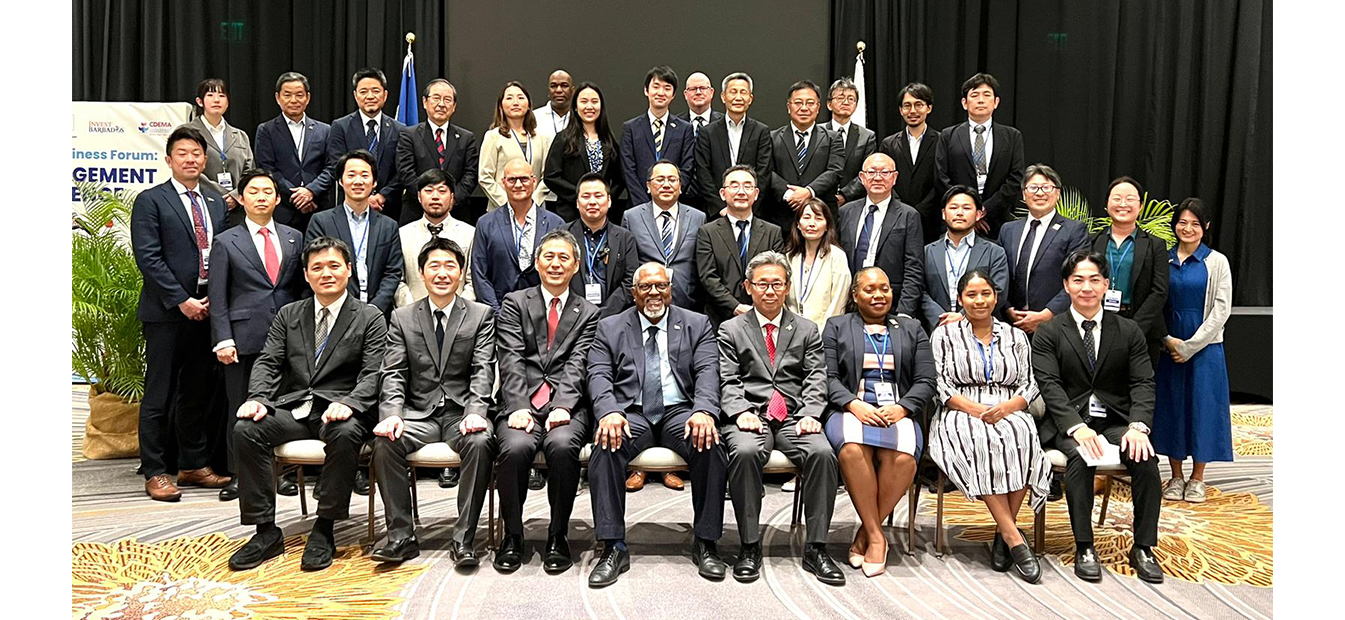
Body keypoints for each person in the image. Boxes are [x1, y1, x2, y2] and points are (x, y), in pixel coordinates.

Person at [227, 237, 387, 572]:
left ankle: (324, 528)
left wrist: (351, 402)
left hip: (341, 410)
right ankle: (265, 531)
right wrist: (258, 398)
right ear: (306, 274)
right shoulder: (290, 314)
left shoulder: (369, 316)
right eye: (317, 267)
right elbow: (269, 361)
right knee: (246, 428)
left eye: (334, 266)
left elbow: (374, 371)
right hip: (296, 408)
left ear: (349, 270)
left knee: (345, 432)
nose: (326, 273)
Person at [585, 262, 728, 587]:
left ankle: (706, 542)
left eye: (661, 286)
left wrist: (704, 411)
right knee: (605, 445)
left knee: (710, 443)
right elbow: (599, 374)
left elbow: (708, 371)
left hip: (681, 411)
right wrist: (608, 412)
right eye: (646, 287)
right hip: (631, 412)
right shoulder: (610, 327)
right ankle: (613, 546)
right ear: (633, 292)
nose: (654, 292)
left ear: (671, 290)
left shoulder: (696, 323)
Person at [1032, 250, 1164, 584]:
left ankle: (1143, 547)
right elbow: (1049, 386)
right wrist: (1075, 427)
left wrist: (1138, 426)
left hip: (1116, 420)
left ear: (1106, 284)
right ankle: (1085, 546)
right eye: (1078, 280)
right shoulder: (1049, 332)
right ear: (1066, 285)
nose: (1086, 287)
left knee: (1146, 459)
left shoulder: (1129, 330)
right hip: (1070, 421)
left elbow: (1142, 382)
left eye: (1094, 280)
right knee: (1081, 457)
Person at [369, 236, 496, 566]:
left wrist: (476, 411)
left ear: (461, 273)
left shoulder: (480, 315)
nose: (442, 273)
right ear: (422, 273)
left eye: (450, 266)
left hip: (461, 413)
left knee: (481, 441)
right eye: (434, 266)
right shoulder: (402, 317)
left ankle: (464, 539)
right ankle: (401, 536)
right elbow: (393, 372)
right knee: (385, 442)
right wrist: (392, 413)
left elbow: (483, 368)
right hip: (418, 414)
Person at [718, 251, 843, 585]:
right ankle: (749, 545)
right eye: (762, 284)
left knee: (822, 453)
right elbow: (727, 379)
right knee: (745, 452)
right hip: (749, 414)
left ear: (787, 287)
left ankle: (816, 547)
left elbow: (816, 377)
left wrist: (812, 413)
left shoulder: (806, 329)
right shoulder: (731, 329)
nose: (770, 291)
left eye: (777, 284)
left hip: (793, 415)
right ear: (748, 287)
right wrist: (740, 411)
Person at [927, 269, 1050, 583]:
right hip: (960, 408)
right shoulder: (944, 335)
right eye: (971, 294)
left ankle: (1002, 531)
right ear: (960, 299)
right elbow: (938, 384)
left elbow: (1029, 384)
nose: (979, 300)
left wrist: (1007, 407)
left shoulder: (1015, 336)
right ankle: (1013, 537)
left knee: (1022, 436)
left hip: (1008, 406)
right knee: (982, 439)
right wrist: (975, 409)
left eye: (985, 294)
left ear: (996, 298)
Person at [130, 126, 231, 502]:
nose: (190, 159)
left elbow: (221, 254)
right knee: (159, 393)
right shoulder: (151, 200)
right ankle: (156, 470)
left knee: (196, 392)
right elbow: (149, 258)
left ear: (205, 160)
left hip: (206, 311)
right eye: (183, 153)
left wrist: (213, 300)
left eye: (196, 154)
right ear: (169, 159)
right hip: (167, 313)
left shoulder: (215, 202)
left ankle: (192, 463)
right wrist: (181, 300)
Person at [493, 230, 601, 574]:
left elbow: (579, 363)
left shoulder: (589, 312)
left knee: (563, 445)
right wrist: (518, 406)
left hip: (567, 405)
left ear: (576, 265)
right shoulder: (514, 302)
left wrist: (563, 405)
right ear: (537, 263)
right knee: (515, 448)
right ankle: (513, 535)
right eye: (549, 257)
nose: (556, 264)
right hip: (520, 402)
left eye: (563, 258)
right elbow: (510, 358)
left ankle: (558, 534)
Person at [820, 267, 935, 577]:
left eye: (884, 288)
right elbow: (827, 377)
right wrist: (853, 403)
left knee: (903, 459)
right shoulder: (837, 326)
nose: (878, 295)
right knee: (852, 450)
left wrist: (904, 407)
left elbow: (926, 380)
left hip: (897, 409)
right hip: (850, 407)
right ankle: (876, 537)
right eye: (869, 289)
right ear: (855, 295)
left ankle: (867, 533)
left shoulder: (911, 328)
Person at [207, 169, 306, 502]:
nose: (261, 197)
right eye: (253, 191)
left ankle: (282, 472)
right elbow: (218, 295)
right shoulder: (226, 241)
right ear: (241, 198)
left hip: (289, 338)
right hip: (243, 338)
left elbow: (300, 289)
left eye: (267, 191)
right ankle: (239, 475)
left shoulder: (294, 237)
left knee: (283, 407)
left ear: (278, 199)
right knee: (240, 407)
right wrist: (223, 339)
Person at [1153, 199, 1233, 504]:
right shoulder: (1163, 258)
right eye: (1182, 222)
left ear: (1206, 227)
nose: (1188, 228)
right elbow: (1156, 302)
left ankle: (1198, 478)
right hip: (1169, 347)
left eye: (1195, 224)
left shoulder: (1217, 262)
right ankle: (1175, 475)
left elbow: (1221, 309)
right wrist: (1168, 340)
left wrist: (1191, 346)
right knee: (1172, 408)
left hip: (1205, 349)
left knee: (1203, 409)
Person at [306, 150, 402, 317]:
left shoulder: (389, 226)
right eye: (351, 175)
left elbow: (392, 272)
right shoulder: (321, 221)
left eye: (364, 175)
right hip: (335, 312)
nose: (358, 181)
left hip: (377, 314)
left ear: (374, 182)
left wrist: (374, 310)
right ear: (341, 181)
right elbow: (315, 266)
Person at [999, 163, 1090, 335]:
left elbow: (1077, 278)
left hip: (1056, 326)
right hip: (1011, 326)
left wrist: (1047, 314)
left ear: (1058, 194)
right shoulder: (1008, 230)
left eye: (1046, 187)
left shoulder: (1074, 230)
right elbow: (999, 275)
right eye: (1033, 187)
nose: (1039, 193)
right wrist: (1008, 308)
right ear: (1024, 194)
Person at [1089, 176, 1169, 365]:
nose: (1123, 204)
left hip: (1142, 328)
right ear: (1107, 204)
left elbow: (1159, 291)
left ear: (1140, 206)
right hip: (1098, 323)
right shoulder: (1092, 241)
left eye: (1130, 199)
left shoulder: (1155, 245)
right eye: (1117, 198)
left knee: (1139, 381)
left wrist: (1135, 328)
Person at [934, 73, 1025, 238]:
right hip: (957, 218)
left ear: (996, 102)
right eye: (974, 95)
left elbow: (1015, 177)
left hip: (997, 220)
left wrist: (984, 210)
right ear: (964, 103)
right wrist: (968, 209)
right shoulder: (948, 135)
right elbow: (941, 177)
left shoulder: (1012, 136)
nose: (981, 100)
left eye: (986, 95)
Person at [471, 158, 565, 311]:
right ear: (503, 182)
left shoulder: (555, 223)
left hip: (544, 312)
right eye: (512, 180)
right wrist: (497, 313)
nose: (519, 184)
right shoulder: (486, 224)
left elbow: (563, 271)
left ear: (534, 181)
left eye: (524, 179)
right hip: (500, 310)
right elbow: (479, 273)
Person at [837, 152, 924, 317]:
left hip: (891, 304)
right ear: (862, 177)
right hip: (849, 304)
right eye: (871, 172)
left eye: (885, 172)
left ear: (895, 177)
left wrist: (905, 311)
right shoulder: (846, 212)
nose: (877, 178)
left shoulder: (908, 215)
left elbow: (914, 268)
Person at [695, 165, 784, 325]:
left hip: (763, 315)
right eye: (734, 186)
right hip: (719, 317)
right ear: (723, 194)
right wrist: (735, 306)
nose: (741, 192)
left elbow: (778, 273)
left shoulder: (773, 232)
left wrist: (758, 305)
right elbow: (708, 277)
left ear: (756, 194)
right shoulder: (708, 232)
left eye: (747, 186)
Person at [920, 186, 1009, 332]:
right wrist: (940, 318)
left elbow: (998, 291)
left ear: (978, 214)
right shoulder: (927, 252)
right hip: (936, 328)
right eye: (953, 208)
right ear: (943, 214)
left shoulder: (995, 252)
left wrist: (963, 316)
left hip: (980, 330)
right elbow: (920, 290)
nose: (959, 213)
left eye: (966, 208)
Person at [254, 72, 333, 230]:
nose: (294, 100)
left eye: (299, 95)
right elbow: (267, 169)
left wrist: (311, 191)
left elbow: (332, 167)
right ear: (278, 98)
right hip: (283, 209)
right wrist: (296, 197)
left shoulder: (324, 130)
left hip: (318, 208)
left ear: (307, 98)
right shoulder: (266, 130)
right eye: (287, 95)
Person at [327, 68, 407, 222]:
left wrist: (382, 196)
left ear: (385, 95)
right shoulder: (340, 127)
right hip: (351, 206)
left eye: (375, 91)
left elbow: (401, 170)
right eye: (363, 92)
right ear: (355, 96)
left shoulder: (400, 129)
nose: (370, 96)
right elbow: (337, 166)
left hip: (389, 208)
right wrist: (364, 197)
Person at [395, 78, 479, 225]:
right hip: (416, 212)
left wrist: (451, 199)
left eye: (447, 100)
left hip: (456, 212)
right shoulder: (409, 135)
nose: (441, 104)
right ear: (424, 102)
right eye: (436, 98)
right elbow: (406, 172)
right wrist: (427, 197)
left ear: (454, 106)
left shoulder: (466, 138)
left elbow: (471, 174)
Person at [623, 160, 705, 308]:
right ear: (648, 186)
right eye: (660, 180)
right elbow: (627, 266)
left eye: (672, 180)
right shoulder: (631, 217)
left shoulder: (698, 218)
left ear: (680, 186)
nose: (666, 185)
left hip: (687, 301)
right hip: (646, 300)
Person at [765, 80, 844, 228]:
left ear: (818, 107)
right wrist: (790, 195)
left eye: (810, 103)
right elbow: (766, 171)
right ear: (789, 107)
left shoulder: (833, 138)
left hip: (821, 216)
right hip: (782, 215)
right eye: (798, 103)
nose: (804, 108)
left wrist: (809, 192)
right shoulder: (772, 137)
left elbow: (835, 171)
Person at [544, 82, 625, 222]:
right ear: (575, 107)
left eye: (594, 101)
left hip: (603, 216)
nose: (589, 106)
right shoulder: (563, 139)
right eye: (584, 101)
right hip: (570, 214)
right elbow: (551, 176)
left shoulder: (609, 140)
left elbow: (620, 180)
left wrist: (604, 198)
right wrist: (581, 196)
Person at [695, 72, 773, 216]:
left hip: (752, 212)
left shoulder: (761, 131)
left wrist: (749, 207)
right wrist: (720, 208)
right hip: (717, 213)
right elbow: (703, 173)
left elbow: (763, 174)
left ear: (750, 98)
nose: (738, 97)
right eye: (733, 92)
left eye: (743, 92)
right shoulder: (708, 132)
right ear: (723, 97)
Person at [395, 169, 476, 307]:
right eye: (429, 191)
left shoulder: (470, 233)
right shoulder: (402, 234)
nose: (435, 197)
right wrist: (412, 310)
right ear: (419, 196)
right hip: (412, 312)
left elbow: (473, 281)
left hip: (460, 314)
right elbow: (398, 280)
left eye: (442, 191)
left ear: (452, 197)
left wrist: (459, 310)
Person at [620, 66, 697, 207]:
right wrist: (644, 206)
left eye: (667, 88)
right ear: (646, 90)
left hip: (674, 205)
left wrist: (670, 199)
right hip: (637, 207)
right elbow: (628, 171)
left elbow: (687, 168)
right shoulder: (631, 128)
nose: (661, 93)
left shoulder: (684, 129)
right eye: (656, 87)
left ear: (673, 94)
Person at [182, 78, 254, 226]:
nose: (216, 100)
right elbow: (187, 169)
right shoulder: (186, 132)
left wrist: (236, 195)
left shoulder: (240, 135)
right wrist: (220, 196)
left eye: (221, 96)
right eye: (210, 95)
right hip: (201, 204)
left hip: (237, 209)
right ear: (200, 101)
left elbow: (249, 171)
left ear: (227, 102)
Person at [565, 173, 638, 318]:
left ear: (609, 201)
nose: (592, 202)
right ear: (577, 202)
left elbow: (630, 280)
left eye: (598, 196)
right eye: (586, 196)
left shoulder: (625, 238)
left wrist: (605, 313)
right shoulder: (563, 236)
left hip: (616, 317)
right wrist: (580, 312)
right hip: (572, 315)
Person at [879, 82, 942, 244]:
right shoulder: (889, 143)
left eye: (918, 105)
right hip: (895, 217)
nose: (912, 111)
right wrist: (901, 209)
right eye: (907, 106)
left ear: (929, 108)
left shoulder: (942, 141)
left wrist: (920, 210)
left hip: (931, 219)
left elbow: (942, 179)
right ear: (901, 110)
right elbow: (884, 179)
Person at [480, 81, 553, 211]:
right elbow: (485, 176)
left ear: (528, 104)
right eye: (509, 98)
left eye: (520, 98)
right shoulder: (493, 136)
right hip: (501, 208)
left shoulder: (541, 138)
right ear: (501, 106)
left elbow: (546, 176)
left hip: (535, 209)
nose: (515, 102)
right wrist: (508, 204)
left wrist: (532, 203)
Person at [784, 198, 851, 327]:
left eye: (818, 218)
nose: (811, 224)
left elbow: (839, 301)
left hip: (824, 330)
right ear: (798, 224)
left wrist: (825, 332)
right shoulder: (790, 257)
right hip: (792, 330)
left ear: (827, 226)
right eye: (806, 218)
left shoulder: (837, 256)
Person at [825, 78, 877, 208]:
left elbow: (867, 171)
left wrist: (844, 195)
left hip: (853, 203)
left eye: (851, 99)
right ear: (829, 104)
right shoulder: (819, 132)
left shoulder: (867, 136)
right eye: (840, 98)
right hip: (820, 201)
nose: (846, 102)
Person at [678, 71, 724, 138]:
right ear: (685, 94)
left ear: (711, 92)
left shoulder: (724, 122)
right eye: (693, 89)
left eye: (703, 88)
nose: (698, 92)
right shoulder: (677, 123)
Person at [532, 69, 574, 137]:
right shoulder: (535, 117)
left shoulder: (580, 117)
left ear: (572, 90)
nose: (558, 90)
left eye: (564, 86)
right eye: (553, 86)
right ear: (548, 91)